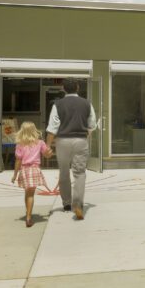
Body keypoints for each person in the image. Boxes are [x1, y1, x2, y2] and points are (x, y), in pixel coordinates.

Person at [45, 78, 96, 220]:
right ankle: (78, 204)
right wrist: (86, 133)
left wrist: (48, 146)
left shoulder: (58, 104)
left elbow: (52, 127)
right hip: (80, 140)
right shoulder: (87, 103)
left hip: (62, 141)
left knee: (64, 171)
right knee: (79, 173)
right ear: (78, 88)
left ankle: (66, 203)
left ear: (63, 89)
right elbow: (92, 124)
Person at [11, 121, 52, 228]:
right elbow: (46, 154)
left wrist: (15, 174)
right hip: (35, 170)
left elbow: (18, 161)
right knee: (31, 194)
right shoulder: (40, 143)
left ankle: (28, 214)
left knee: (27, 193)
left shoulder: (20, 144)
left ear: (22, 131)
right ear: (34, 130)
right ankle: (29, 216)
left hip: (24, 170)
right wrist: (49, 153)